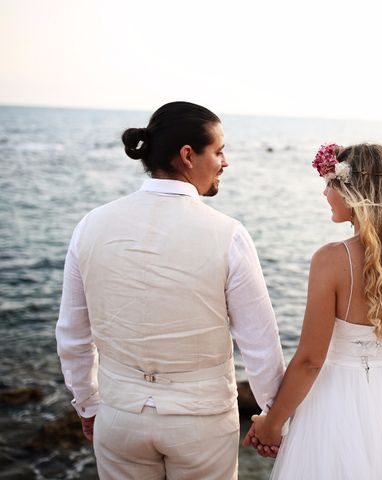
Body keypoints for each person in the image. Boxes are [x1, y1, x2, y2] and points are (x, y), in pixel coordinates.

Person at [56, 101, 285, 479]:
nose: (225, 162)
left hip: (120, 418)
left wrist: (88, 405)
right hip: (201, 423)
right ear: (187, 156)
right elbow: (260, 344)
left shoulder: (90, 225)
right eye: (219, 150)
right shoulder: (228, 235)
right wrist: (274, 419)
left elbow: (72, 335)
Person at [246, 143, 382, 479]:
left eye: (330, 185)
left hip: (335, 403)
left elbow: (310, 360)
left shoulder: (331, 260)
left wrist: (272, 424)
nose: (325, 193)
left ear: (352, 191)